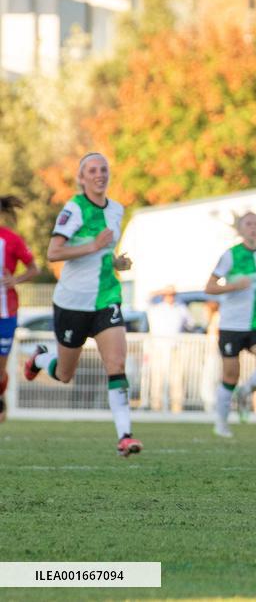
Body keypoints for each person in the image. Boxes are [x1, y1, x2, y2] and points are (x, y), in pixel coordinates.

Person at [23, 153, 142, 456]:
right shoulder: (74, 208)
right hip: (72, 303)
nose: (99, 174)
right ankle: (39, 359)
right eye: (92, 170)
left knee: (116, 364)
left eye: (104, 169)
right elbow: (53, 252)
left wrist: (116, 260)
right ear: (82, 178)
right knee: (65, 375)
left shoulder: (116, 209)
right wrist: (93, 245)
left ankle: (125, 436)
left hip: (106, 297)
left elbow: (104, 252)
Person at [205, 211, 256, 437]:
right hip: (232, 324)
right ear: (240, 229)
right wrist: (233, 286)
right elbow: (209, 287)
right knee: (230, 376)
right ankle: (221, 423)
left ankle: (246, 392)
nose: (253, 227)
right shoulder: (231, 255)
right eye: (248, 224)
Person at [0, 195, 41, 422]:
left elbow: (34, 269)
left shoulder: (11, 239)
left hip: (6, 313)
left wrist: (15, 280)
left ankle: (1, 396)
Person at [146, 285, 193, 412]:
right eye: (168, 294)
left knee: (177, 379)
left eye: (172, 294)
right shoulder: (156, 308)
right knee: (157, 378)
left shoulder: (181, 308)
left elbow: (190, 323)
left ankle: (176, 407)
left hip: (175, 348)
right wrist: (160, 290)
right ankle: (156, 406)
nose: (170, 297)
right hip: (158, 347)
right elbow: (147, 298)